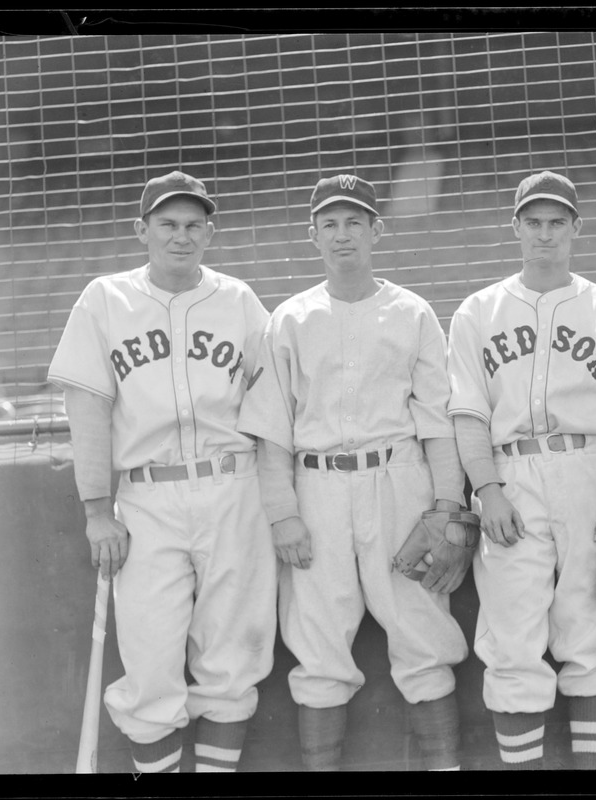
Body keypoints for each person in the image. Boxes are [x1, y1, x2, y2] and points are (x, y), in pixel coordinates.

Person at [237, 174, 471, 771]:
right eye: (331, 224)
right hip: (316, 488)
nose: (343, 234)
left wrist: (447, 511)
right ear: (313, 234)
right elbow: (272, 434)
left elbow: (438, 423)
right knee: (317, 643)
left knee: (421, 632)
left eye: (355, 222)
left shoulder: (412, 312)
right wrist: (284, 514)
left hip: (397, 478)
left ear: (376, 230)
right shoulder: (288, 319)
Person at [48, 171, 276, 773]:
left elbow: (272, 406)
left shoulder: (239, 300)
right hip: (146, 497)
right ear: (142, 229)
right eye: (168, 224)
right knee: (150, 666)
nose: (181, 236)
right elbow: (88, 409)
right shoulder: (105, 299)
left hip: (234, 487)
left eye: (194, 225)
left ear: (209, 232)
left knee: (232, 657)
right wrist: (97, 510)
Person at [446, 171, 596, 769]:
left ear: (575, 229)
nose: (545, 234)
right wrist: (486, 490)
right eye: (533, 222)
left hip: (592, 470)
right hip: (511, 477)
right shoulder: (477, 311)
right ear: (515, 227)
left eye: (557, 222)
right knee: (512, 641)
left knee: (593, 636)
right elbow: (468, 416)